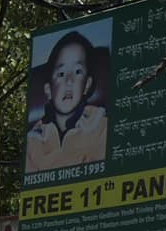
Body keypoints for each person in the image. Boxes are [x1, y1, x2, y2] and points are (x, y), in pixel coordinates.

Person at [25, 30, 109, 173]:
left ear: (87, 85)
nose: (69, 81)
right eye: (61, 74)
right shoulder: (33, 141)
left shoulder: (101, 126)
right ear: (48, 89)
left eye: (77, 72)